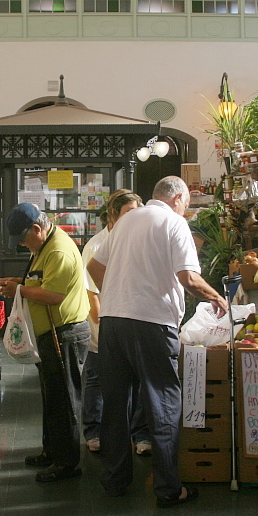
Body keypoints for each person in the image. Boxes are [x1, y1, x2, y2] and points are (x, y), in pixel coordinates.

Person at [87, 176, 228, 508]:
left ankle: (115, 480)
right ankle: (167, 488)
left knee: (116, 403)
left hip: (112, 322)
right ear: (178, 198)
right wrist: (217, 297)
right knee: (163, 400)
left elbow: (94, 267)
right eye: (188, 203)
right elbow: (189, 278)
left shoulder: (125, 221)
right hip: (152, 324)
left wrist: (120, 293)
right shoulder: (174, 223)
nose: (187, 209)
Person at [0, 203, 91, 482]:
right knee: (52, 397)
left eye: (24, 240)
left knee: (64, 399)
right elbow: (42, 280)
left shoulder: (58, 250)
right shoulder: (44, 246)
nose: (24, 246)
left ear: (37, 229)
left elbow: (53, 295)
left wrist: (19, 289)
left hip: (65, 334)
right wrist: (18, 281)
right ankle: (52, 451)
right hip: (49, 334)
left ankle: (67, 463)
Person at [80, 189, 151, 455]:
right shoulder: (96, 247)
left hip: (132, 322)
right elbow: (92, 297)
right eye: (129, 214)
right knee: (97, 379)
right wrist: (103, 325)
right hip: (104, 326)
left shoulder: (139, 241)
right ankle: (94, 430)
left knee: (138, 380)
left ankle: (140, 434)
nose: (135, 220)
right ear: (113, 215)